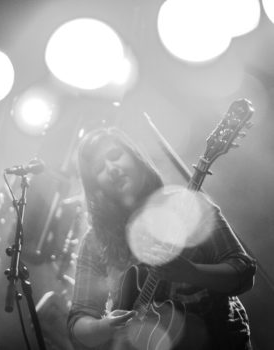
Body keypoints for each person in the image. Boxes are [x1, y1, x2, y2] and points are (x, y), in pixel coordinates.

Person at [67, 127, 256, 350]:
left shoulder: (186, 205)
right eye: (99, 168)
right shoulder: (95, 240)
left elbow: (243, 273)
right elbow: (78, 325)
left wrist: (192, 273)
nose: (112, 169)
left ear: (135, 158)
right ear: (95, 185)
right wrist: (106, 326)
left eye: (115, 156)